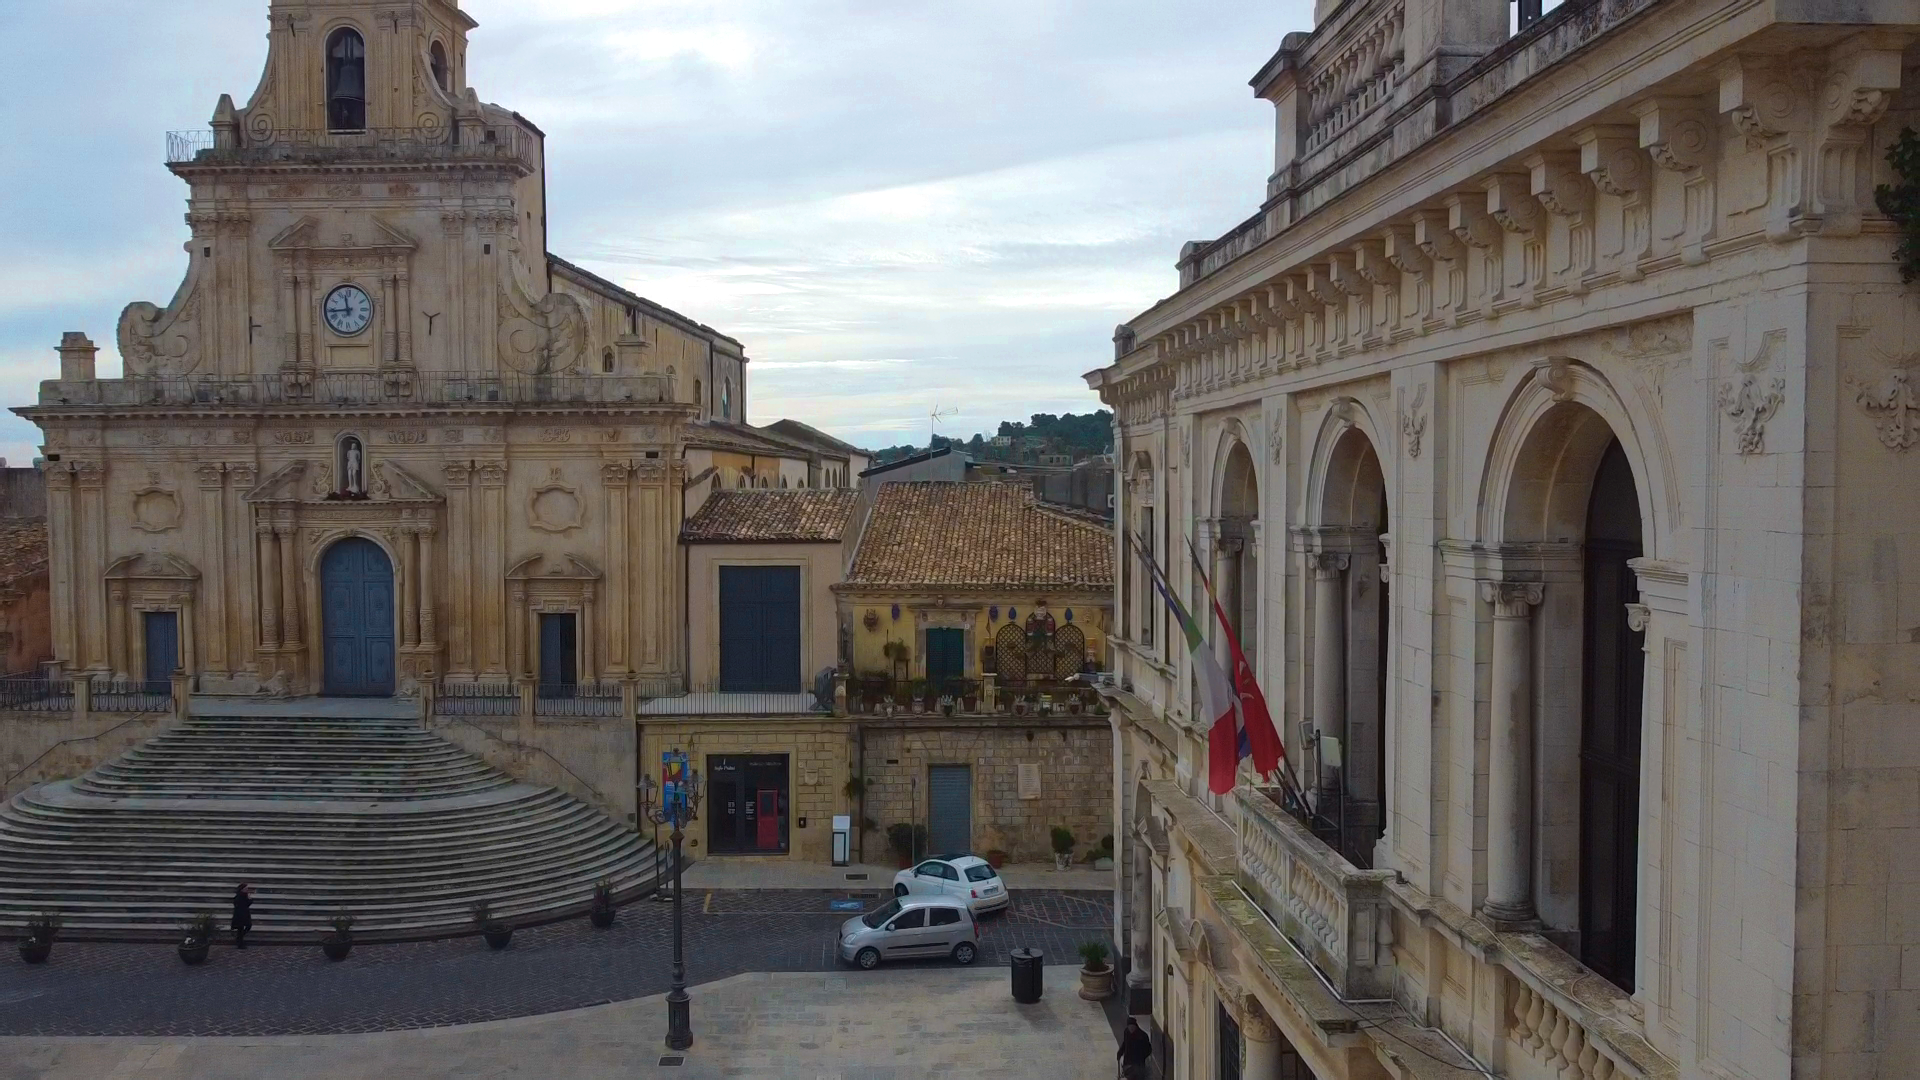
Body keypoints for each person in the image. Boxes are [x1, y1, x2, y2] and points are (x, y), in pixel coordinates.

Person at [231, 883, 254, 949]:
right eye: (246, 888)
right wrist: (250, 899)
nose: (247, 890)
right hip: (240, 915)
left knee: (246, 927)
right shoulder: (239, 896)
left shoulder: (244, 895)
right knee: (240, 929)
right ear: (242, 889)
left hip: (244, 914)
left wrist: (249, 899)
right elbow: (244, 904)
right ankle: (239, 942)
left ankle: (239, 939)